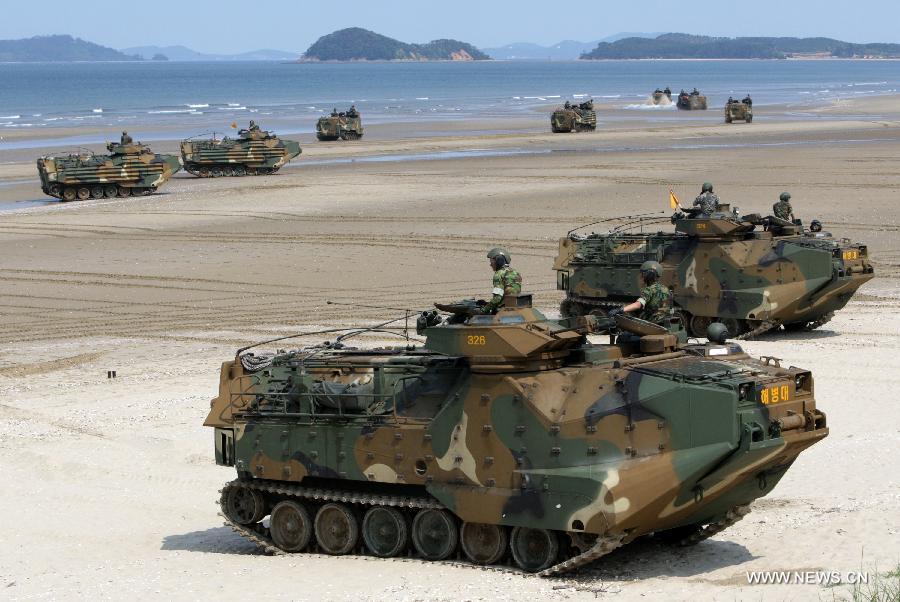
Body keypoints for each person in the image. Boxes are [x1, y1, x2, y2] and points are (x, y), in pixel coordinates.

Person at [482, 247, 522, 314]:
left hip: (502, 310)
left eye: (492, 261)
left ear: (499, 261)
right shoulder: (515, 272)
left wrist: (483, 310)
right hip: (515, 307)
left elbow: (497, 298)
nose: (490, 264)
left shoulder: (499, 274)